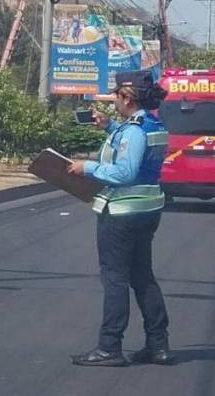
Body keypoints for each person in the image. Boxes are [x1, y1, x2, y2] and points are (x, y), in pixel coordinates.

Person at [67, 70, 173, 367]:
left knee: (115, 280)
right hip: (147, 211)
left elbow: (125, 172)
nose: (113, 99)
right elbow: (137, 152)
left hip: (122, 213)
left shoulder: (133, 132)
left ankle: (109, 347)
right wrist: (110, 126)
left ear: (127, 98)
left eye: (116, 95)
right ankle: (158, 344)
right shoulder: (151, 125)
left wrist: (87, 167)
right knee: (143, 277)